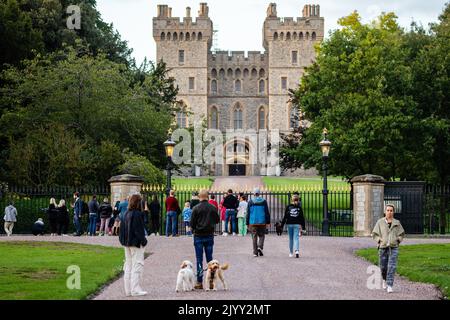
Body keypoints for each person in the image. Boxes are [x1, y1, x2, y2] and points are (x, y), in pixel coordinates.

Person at [119, 194, 148, 297]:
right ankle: (135, 289)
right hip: (135, 243)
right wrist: (144, 241)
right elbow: (138, 230)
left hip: (126, 243)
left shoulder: (125, 213)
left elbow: (121, 230)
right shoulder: (137, 214)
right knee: (137, 265)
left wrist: (122, 241)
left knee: (128, 266)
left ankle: (128, 290)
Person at [371, 204, 405, 293]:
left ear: (393, 212)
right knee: (383, 266)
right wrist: (379, 240)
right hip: (383, 247)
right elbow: (374, 234)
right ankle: (384, 280)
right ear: (385, 212)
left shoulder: (397, 223)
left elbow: (401, 234)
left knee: (392, 266)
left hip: (394, 247)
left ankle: (390, 285)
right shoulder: (380, 222)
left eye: (391, 210)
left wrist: (398, 240)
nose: (389, 212)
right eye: (388, 210)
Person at [190, 190, 220, 289]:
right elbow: (217, 220)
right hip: (209, 235)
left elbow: (192, 224)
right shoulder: (213, 208)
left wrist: (194, 229)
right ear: (207, 197)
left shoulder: (195, 208)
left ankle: (199, 282)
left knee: (199, 259)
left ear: (199, 197)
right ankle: (211, 281)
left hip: (198, 235)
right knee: (210, 259)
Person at [246, 188, 270, 257]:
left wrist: (247, 223)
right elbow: (266, 212)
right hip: (262, 221)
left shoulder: (250, 201)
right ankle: (260, 247)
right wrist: (268, 222)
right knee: (262, 235)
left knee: (254, 236)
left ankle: (255, 252)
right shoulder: (264, 201)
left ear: (254, 194)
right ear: (259, 193)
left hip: (253, 221)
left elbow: (248, 213)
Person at [281, 193, 306, 258]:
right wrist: (303, 227)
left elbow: (285, 217)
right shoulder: (299, 208)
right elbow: (302, 218)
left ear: (291, 200)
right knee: (296, 238)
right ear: (298, 200)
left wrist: (282, 225)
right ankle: (297, 251)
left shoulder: (288, 206)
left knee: (291, 239)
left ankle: (291, 253)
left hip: (289, 224)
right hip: (297, 224)